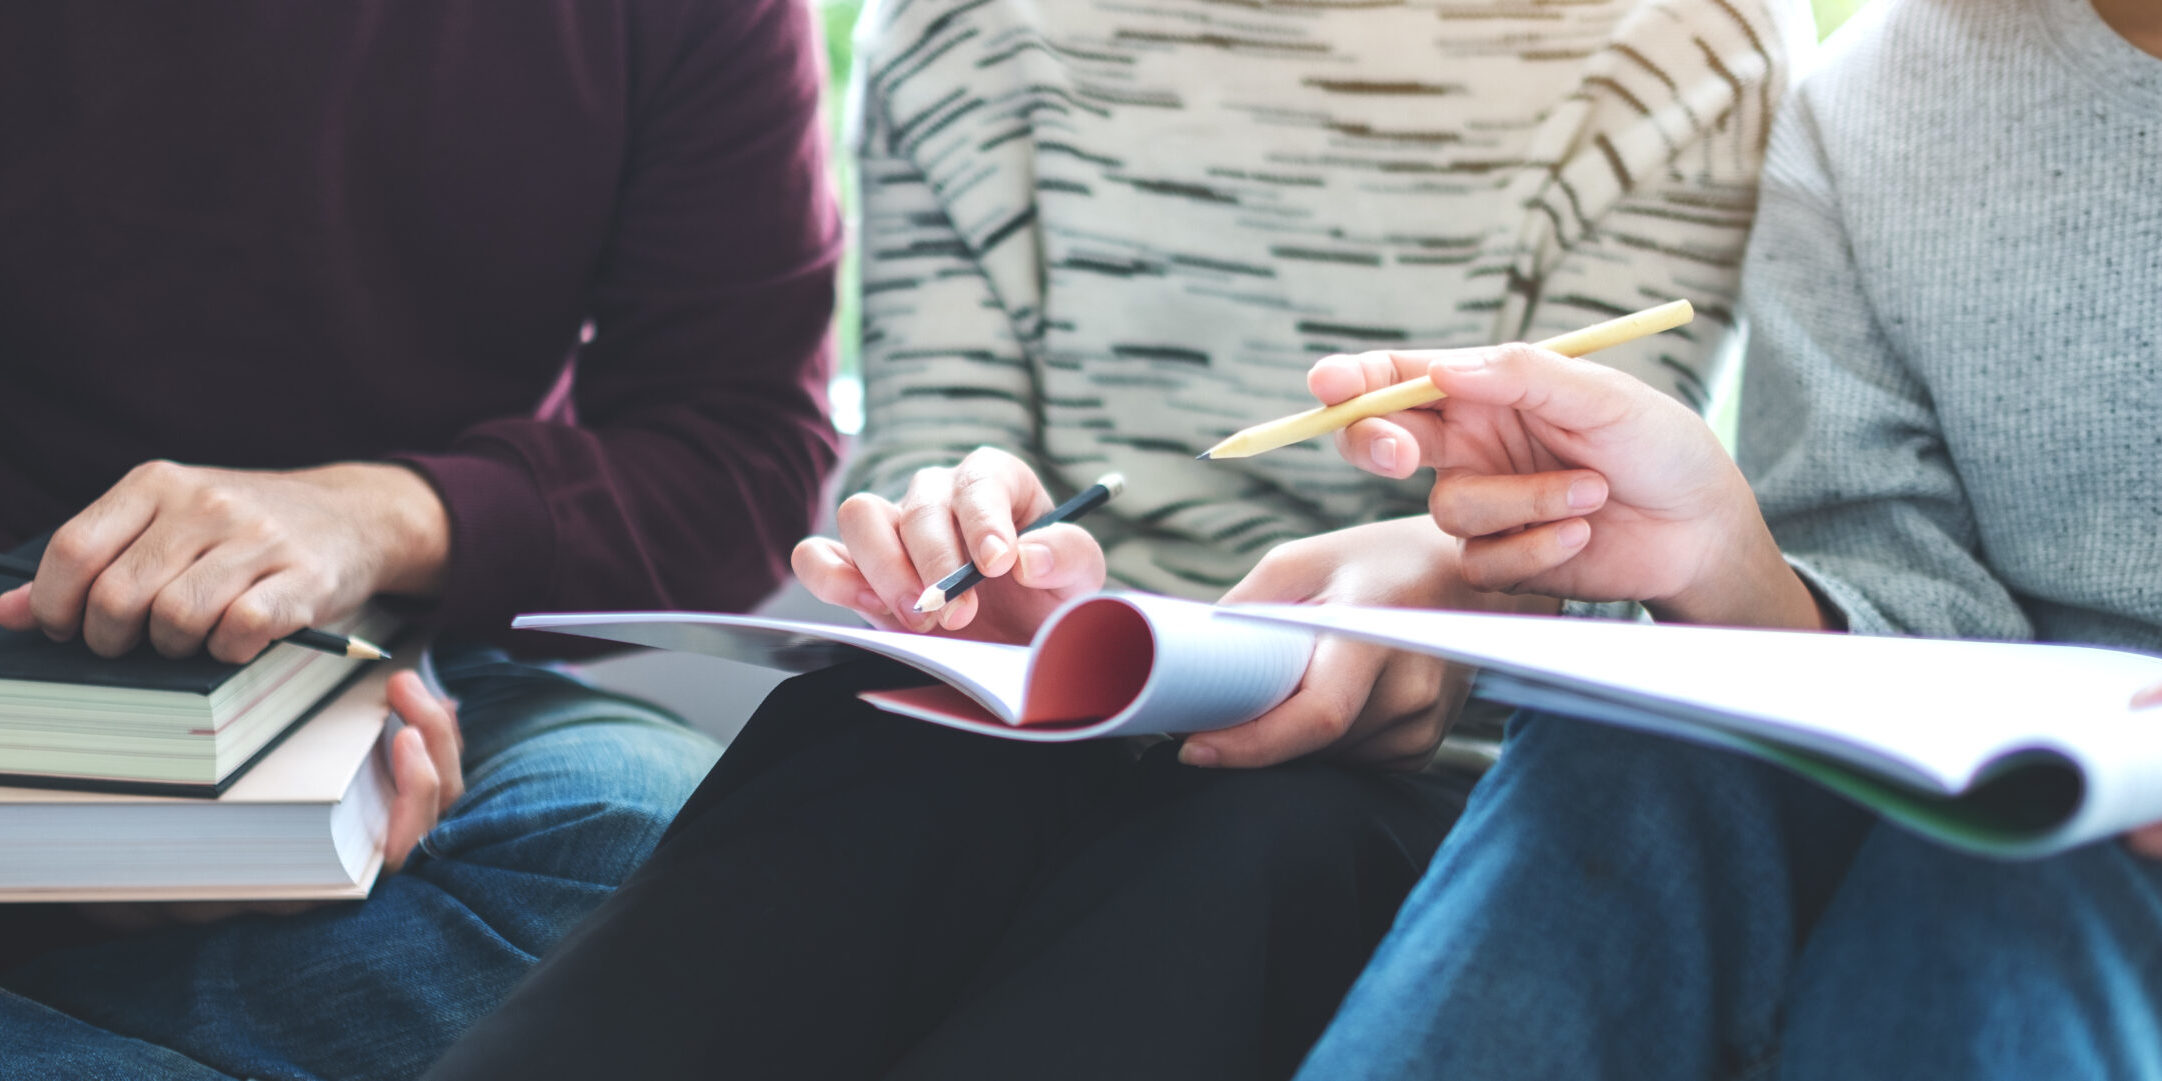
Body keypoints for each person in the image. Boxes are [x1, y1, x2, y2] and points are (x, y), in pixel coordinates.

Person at [423, 3, 1810, 1079]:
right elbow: (945, 443)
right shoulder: (970, 30)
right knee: (867, 749)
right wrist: (953, 538)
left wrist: (1438, 587)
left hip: (1433, 768)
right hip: (1055, 705)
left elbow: (1596, 528)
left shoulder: (1679, 41)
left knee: (1249, 863)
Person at [1285, 0, 2162, 1075]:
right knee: (1643, 728)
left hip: (2067, 849)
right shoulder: (1873, 101)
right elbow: (1918, 610)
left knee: (2006, 860)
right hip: (2048, 769)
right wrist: (1716, 560)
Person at [0, 1, 840, 1078]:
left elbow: (741, 446)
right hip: (21, 636)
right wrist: (63, 800)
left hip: (421, 676)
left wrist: (378, 518)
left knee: (658, 843)